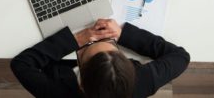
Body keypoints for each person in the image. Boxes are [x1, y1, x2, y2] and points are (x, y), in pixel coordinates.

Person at [11, 19, 190, 97]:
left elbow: (21, 64)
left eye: (86, 49)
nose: (93, 41)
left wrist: (76, 39)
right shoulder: (144, 80)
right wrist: (122, 34)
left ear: (80, 82)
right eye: (112, 45)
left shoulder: (57, 93)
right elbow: (181, 56)